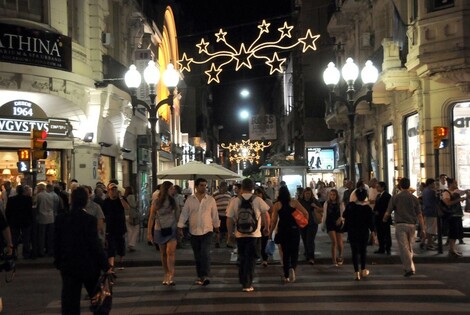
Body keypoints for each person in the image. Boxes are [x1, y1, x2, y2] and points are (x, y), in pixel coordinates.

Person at [54, 186, 112, 315]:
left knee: (70, 301)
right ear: (85, 201)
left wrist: (58, 261)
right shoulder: (89, 219)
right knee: (95, 296)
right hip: (88, 264)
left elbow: (56, 242)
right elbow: (94, 243)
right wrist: (105, 264)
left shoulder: (61, 219)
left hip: (69, 264)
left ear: (71, 200)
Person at [226, 178, 270, 292]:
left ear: (241, 188)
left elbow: (229, 218)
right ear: (252, 188)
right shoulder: (258, 200)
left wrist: (230, 233)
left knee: (242, 257)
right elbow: (265, 215)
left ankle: (243, 278)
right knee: (251, 259)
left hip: (240, 234)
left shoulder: (235, 201)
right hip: (254, 234)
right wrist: (266, 228)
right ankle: (247, 283)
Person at [177, 178, 219, 286]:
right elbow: (184, 214)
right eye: (201, 185)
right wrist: (180, 226)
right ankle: (200, 275)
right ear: (196, 186)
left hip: (207, 231)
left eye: (205, 185)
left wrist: (217, 228)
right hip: (194, 232)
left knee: (204, 253)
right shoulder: (190, 200)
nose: (204, 187)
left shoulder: (210, 200)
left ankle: (205, 275)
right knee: (197, 255)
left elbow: (214, 215)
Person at [384, 177, 425, 277]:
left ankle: (409, 268)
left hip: (400, 224)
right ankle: (410, 267)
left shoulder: (395, 197)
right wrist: (422, 228)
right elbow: (419, 214)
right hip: (412, 225)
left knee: (404, 247)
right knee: (409, 247)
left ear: (400, 186)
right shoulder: (414, 198)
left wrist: (384, 219)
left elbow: (388, 211)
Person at [269, 186, 308, 283]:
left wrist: (270, 233)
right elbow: (305, 212)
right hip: (294, 230)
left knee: (285, 253)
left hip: (283, 230)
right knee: (294, 252)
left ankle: (286, 275)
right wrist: (303, 222)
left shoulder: (277, 205)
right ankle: (293, 269)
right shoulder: (294, 202)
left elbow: (274, 221)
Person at [147, 181, 180, 285]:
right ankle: (166, 273)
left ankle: (171, 273)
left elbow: (178, 215)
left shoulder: (174, 201)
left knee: (170, 251)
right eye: (171, 188)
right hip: (159, 229)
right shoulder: (156, 201)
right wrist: (149, 233)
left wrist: (180, 228)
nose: (173, 190)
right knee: (163, 253)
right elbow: (151, 217)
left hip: (172, 228)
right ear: (165, 190)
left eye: (173, 188)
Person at [342, 187, 374, 280]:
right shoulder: (367, 208)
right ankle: (363, 269)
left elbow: (344, 215)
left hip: (352, 231)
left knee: (354, 252)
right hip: (363, 232)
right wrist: (373, 232)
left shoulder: (350, 206)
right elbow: (370, 222)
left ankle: (356, 272)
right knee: (363, 251)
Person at [102, 182, 129, 270]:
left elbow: (127, 207)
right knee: (111, 246)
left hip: (120, 225)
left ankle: (121, 261)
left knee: (120, 244)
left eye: (115, 189)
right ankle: (111, 265)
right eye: (111, 190)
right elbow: (103, 215)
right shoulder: (106, 202)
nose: (113, 191)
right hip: (110, 226)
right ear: (108, 191)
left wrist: (120, 197)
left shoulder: (121, 200)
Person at [5, 185, 33, 259]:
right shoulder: (28, 199)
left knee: (14, 238)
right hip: (25, 221)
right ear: (23, 191)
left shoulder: (11, 199)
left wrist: (9, 220)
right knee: (26, 238)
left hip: (14, 221)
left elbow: (7, 211)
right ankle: (26, 254)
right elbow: (30, 211)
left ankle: (14, 253)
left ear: (16, 191)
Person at [441, 178, 465, 257]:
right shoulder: (446, 193)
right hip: (452, 215)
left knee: (456, 233)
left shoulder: (455, 192)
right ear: (450, 184)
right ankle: (452, 250)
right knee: (453, 233)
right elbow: (448, 203)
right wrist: (459, 200)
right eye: (455, 183)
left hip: (457, 215)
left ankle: (452, 249)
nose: (456, 185)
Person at [298, 187, 322, 264]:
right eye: (306, 193)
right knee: (305, 239)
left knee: (310, 240)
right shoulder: (300, 201)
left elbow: (321, 209)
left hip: (312, 223)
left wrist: (315, 206)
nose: (307, 195)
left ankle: (311, 257)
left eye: (309, 193)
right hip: (303, 223)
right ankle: (307, 253)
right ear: (303, 194)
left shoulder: (314, 200)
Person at [321, 189, 344, 266]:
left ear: (336, 195)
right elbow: (324, 215)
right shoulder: (326, 203)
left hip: (338, 223)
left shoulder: (340, 204)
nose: (332, 196)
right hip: (330, 223)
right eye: (331, 195)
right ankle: (334, 260)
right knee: (334, 241)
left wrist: (341, 219)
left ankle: (340, 256)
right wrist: (323, 224)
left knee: (339, 242)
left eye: (334, 195)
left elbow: (344, 214)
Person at [254, 186, 273, 267]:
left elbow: (271, 212)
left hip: (265, 225)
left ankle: (264, 259)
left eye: (259, 194)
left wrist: (270, 224)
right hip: (256, 225)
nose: (257, 195)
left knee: (264, 242)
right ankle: (257, 256)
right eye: (256, 194)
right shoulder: (254, 202)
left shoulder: (267, 201)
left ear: (262, 194)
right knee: (256, 242)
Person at [373, 182, 392, 255]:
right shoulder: (378, 196)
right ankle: (381, 248)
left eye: (378, 187)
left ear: (383, 187)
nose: (377, 188)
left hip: (384, 217)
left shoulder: (387, 196)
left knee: (386, 233)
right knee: (380, 233)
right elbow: (376, 205)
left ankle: (388, 248)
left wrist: (383, 213)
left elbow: (388, 207)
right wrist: (375, 211)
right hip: (378, 218)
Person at [421, 179, 438, 251]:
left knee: (428, 228)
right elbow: (437, 200)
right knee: (431, 230)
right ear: (430, 184)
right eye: (433, 183)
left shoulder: (424, 191)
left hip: (426, 211)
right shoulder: (432, 192)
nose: (434, 185)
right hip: (432, 212)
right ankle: (429, 244)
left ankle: (424, 241)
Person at [213, 181, 231, 248]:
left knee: (227, 229)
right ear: (221, 187)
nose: (226, 188)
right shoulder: (215, 194)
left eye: (226, 187)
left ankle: (228, 242)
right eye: (225, 186)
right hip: (219, 215)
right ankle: (217, 242)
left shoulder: (229, 194)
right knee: (218, 229)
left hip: (227, 215)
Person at [124, 186, 139, 252]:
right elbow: (133, 205)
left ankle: (129, 244)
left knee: (129, 230)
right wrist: (137, 203)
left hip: (126, 214)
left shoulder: (125, 197)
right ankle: (131, 244)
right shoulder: (132, 196)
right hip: (132, 215)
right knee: (135, 229)